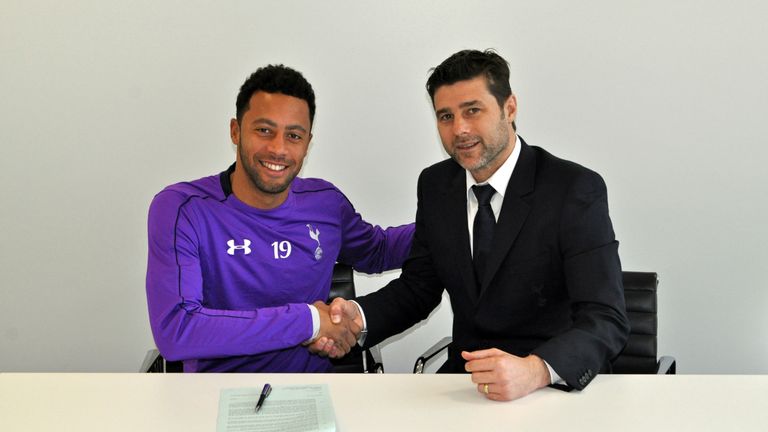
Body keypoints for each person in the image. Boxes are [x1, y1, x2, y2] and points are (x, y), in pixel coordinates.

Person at [317, 49, 630, 400]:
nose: (459, 129)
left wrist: (536, 369)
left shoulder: (572, 188)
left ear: (509, 108)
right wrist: (357, 318)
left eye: (473, 111)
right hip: (468, 385)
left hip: (552, 388)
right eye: (446, 116)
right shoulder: (436, 185)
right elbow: (419, 288)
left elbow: (605, 317)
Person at [145, 64, 414, 372]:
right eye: (264, 130)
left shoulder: (325, 204)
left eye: (294, 135)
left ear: (308, 143)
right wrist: (309, 322)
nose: (278, 149)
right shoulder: (183, 209)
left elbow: (379, 250)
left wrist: (460, 216)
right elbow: (177, 330)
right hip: (214, 399)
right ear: (235, 130)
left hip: (308, 396)